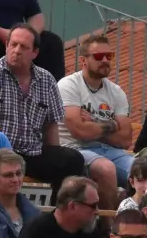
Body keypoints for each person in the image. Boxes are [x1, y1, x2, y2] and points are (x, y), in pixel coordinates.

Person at [0, 23, 94, 203]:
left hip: (32, 153)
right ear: (6, 45)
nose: (17, 50)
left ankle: (58, 214)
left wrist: (55, 153)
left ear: (34, 53)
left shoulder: (46, 79)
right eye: (13, 44)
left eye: (24, 47)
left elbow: (51, 124)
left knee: (72, 159)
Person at [56, 33, 133, 178]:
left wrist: (94, 124)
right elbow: (80, 132)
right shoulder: (68, 85)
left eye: (108, 56)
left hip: (110, 151)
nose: (105, 60)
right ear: (83, 60)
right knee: (106, 169)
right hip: (75, 149)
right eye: (98, 56)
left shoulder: (116, 91)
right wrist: (112, 125)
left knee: (145, 172)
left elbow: (125, 139)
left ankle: (127, 201)